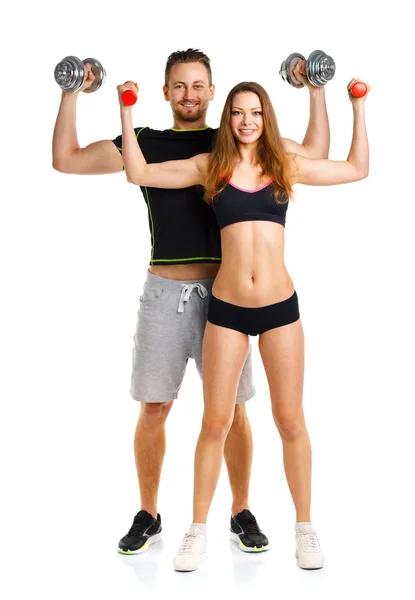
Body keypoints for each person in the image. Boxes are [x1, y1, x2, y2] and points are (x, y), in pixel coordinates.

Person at [52, 48, 331, 557]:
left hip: (228, 298)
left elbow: (312, 153)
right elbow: (66, 160)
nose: (189, 94)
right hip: (165, 290)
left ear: (213, 90)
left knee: (235, 413)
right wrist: (73, 91)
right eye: (179, 86)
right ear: (165, 91)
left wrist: (315, 86)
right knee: (155, 407)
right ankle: (149, 513)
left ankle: (240, 511)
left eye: (199, 85)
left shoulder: (235, 138)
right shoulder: (145, 143)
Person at [117, 75, 369, 571]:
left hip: (280, 308)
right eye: (237, 112)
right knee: (216, 421)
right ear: (227, 119)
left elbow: (357, 167)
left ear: (266, 118)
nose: (247, 120)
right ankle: (197, 530)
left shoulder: (285, 165)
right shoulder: (211, 165)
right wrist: (126, 109)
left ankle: (305, 527)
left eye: (255, 112)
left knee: (290, 421)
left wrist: (356, 105)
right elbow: (137, 171)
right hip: (227, 309)